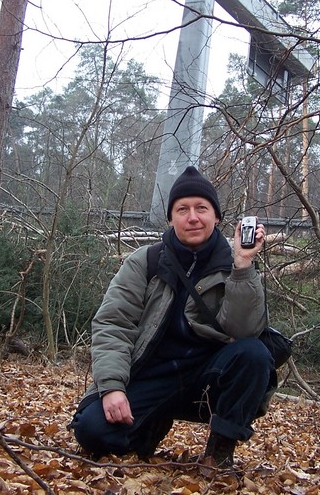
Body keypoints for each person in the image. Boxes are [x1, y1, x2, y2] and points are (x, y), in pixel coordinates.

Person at [69, 166, 274, 468]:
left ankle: (219, 454)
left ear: (216, 216)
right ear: (170, 218)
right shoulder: (146, 260)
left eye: (201, 208)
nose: (193, 217)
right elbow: (114, 324)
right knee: (92, 432)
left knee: (255, 354)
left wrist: (243, 267)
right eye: (183, 209)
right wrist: (112, 387)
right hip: (152, 373)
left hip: (206, 380)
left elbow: (245, 332)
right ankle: (151, 423)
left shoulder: (235, 265)